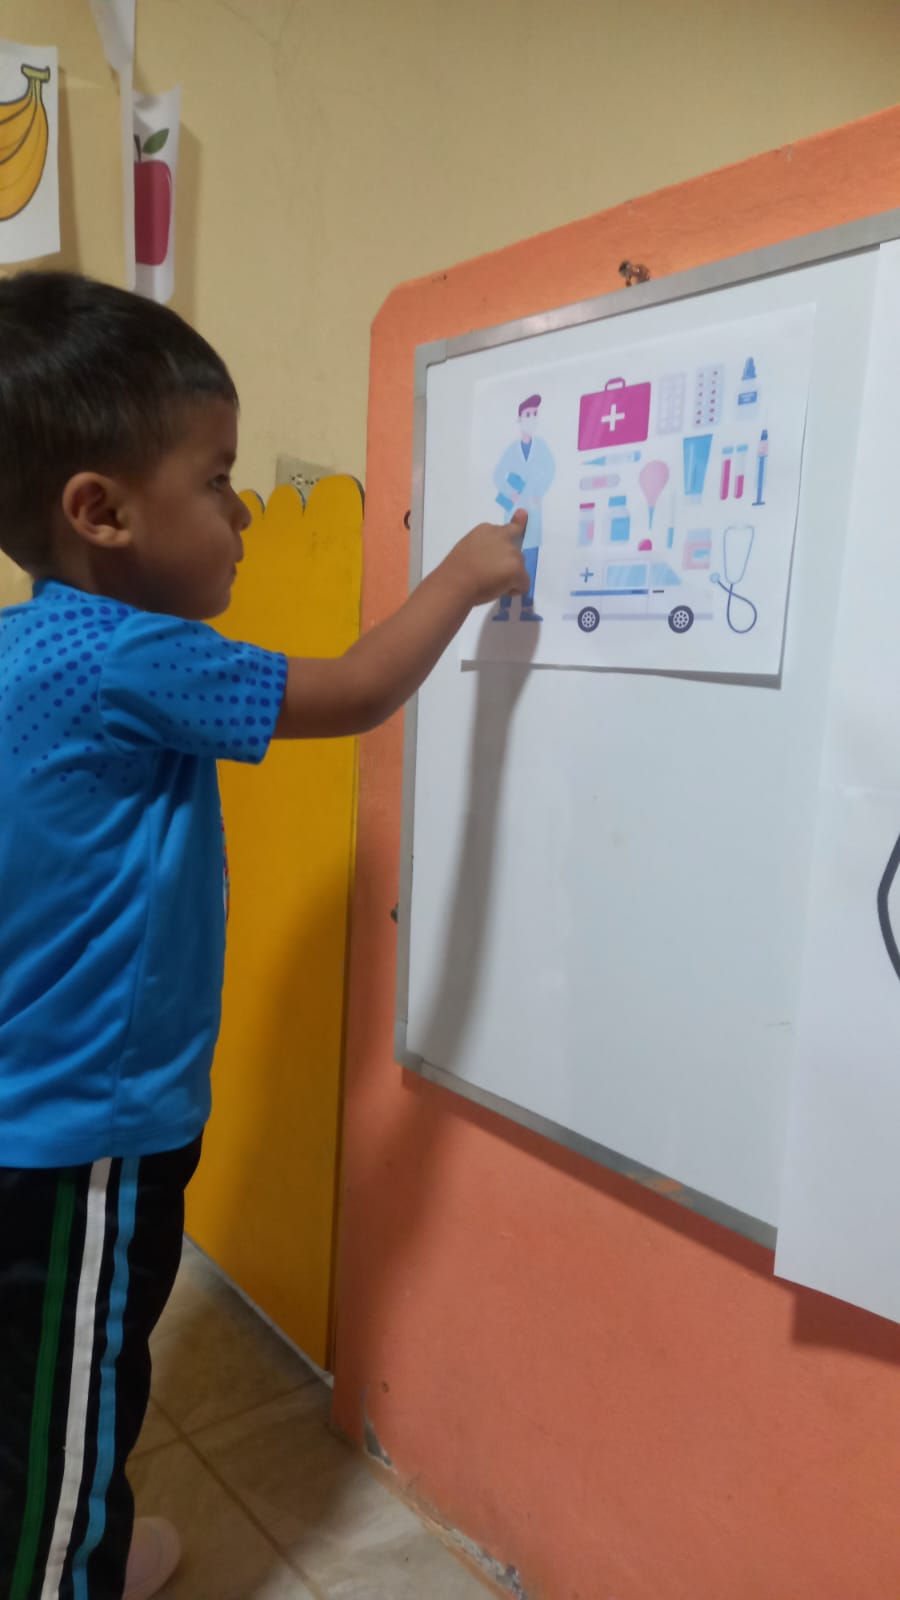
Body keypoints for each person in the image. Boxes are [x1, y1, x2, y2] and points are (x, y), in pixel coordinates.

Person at [0, 271, 529, 1600]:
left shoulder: (27, 650)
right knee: (72, 1387)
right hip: (82, 1131)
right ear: (101, 512)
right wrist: (466, 571)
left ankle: (79, 1544)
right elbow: (352, 690)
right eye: (218, 479)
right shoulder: (133, 652)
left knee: (49, 1379)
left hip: (35, 1105)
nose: (241, 514)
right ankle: (64, 1567)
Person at [491, 392, 555, 622]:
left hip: (534, 515)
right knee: (509, 563)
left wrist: (539, 493)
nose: (532, 417)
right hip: (513, 513)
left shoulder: (542, 448)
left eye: (535, 413)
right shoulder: (511, 450)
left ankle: (527, 608)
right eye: (528, 414)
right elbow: (497, 475)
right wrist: (510, 492)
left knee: (530, 562)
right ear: (520, 419)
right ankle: (504, 609)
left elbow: (551, 471)